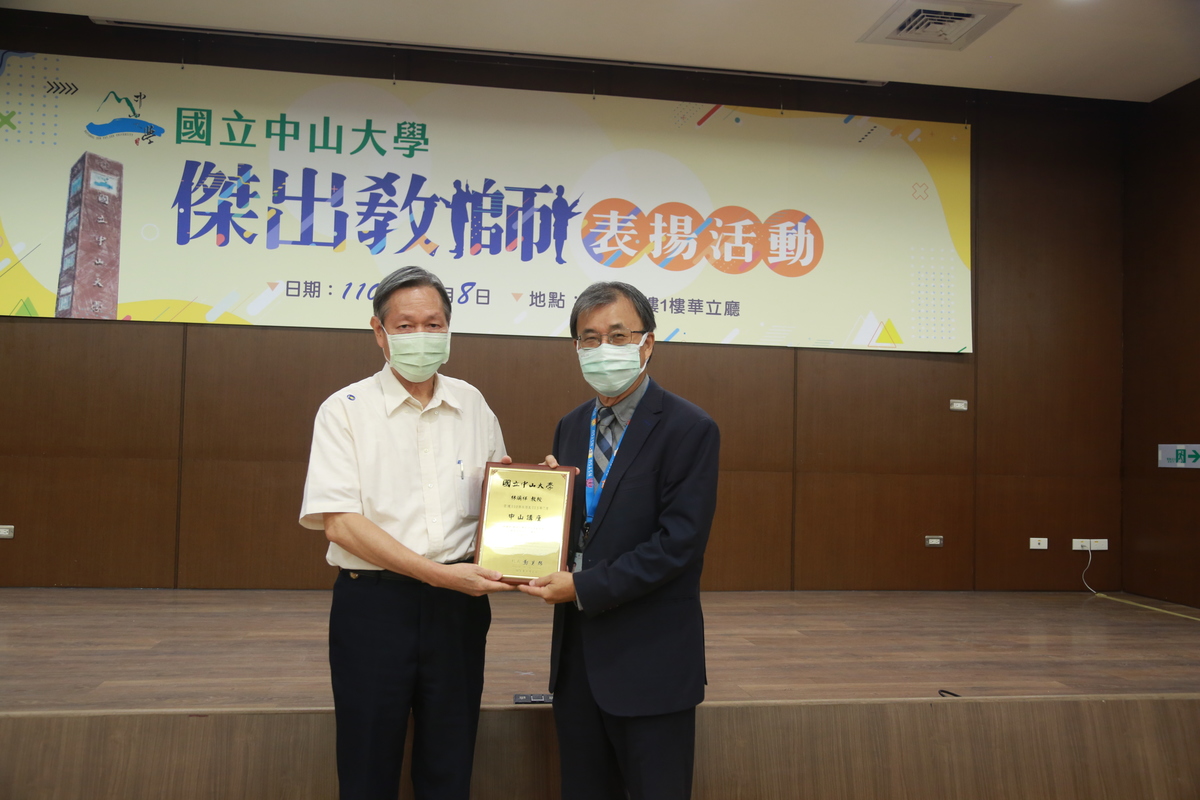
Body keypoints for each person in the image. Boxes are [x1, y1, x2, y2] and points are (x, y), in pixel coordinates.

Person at [299, 265, 514, 800]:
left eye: (433, 323)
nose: (422, 335)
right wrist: (439, 575)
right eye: (406, 324)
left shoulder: (474, 405)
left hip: (458, 614)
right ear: (379, 332)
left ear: (449, 330)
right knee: (367, 762)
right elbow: (341, 522)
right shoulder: (345, 411)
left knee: (450, 760)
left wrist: (533, 497)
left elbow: (499, 500)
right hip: (374, 607)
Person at [520, 281, 721, 800]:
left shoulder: (689, 428)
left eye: (617, 335)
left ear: (647, 343)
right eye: (590, 338)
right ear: (576, 349)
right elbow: (584, 530)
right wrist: (544, 504)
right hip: (578, 666)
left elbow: (677, 544)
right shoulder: (571, 426)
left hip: (651, 663)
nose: (603, 349)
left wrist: (582, 587)